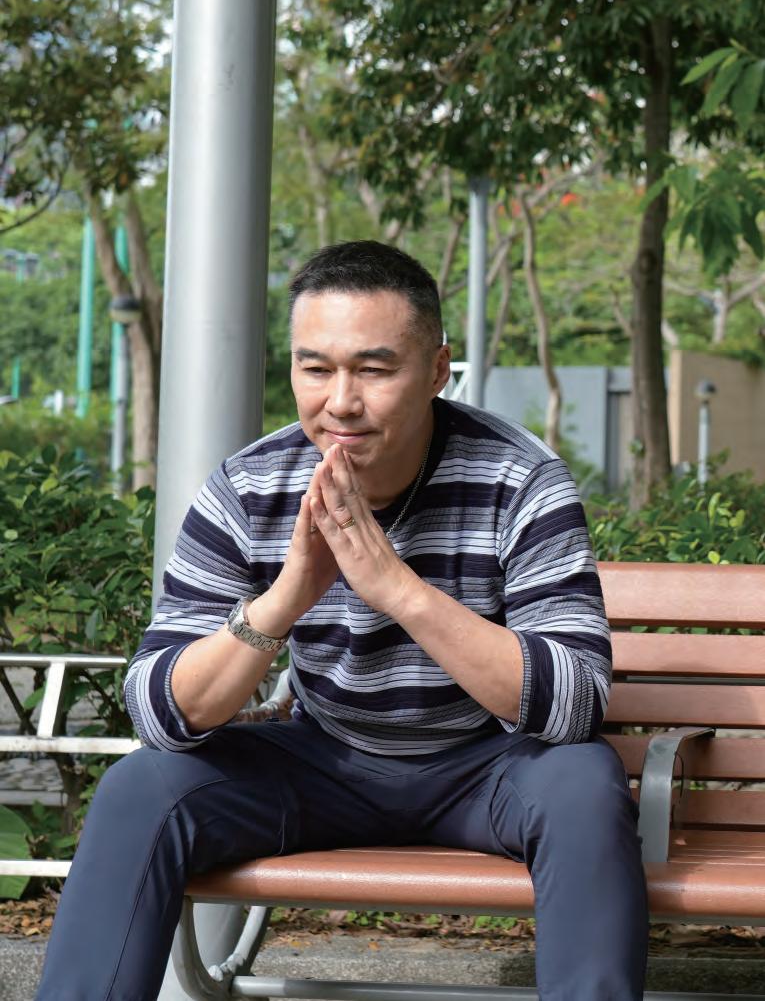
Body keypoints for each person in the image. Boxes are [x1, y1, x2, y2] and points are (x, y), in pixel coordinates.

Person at [37, 240, 648, 1001]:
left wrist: (398, 590)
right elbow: (160, 709)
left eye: (374, 369)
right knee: (141, 788)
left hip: (490, 766)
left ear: (437, 369)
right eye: (316, 368)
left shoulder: (521, 478)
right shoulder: (248, 486)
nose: (340, 402)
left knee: (583, 783)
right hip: (323, 762)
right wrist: (287, 597)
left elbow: (575, 702)